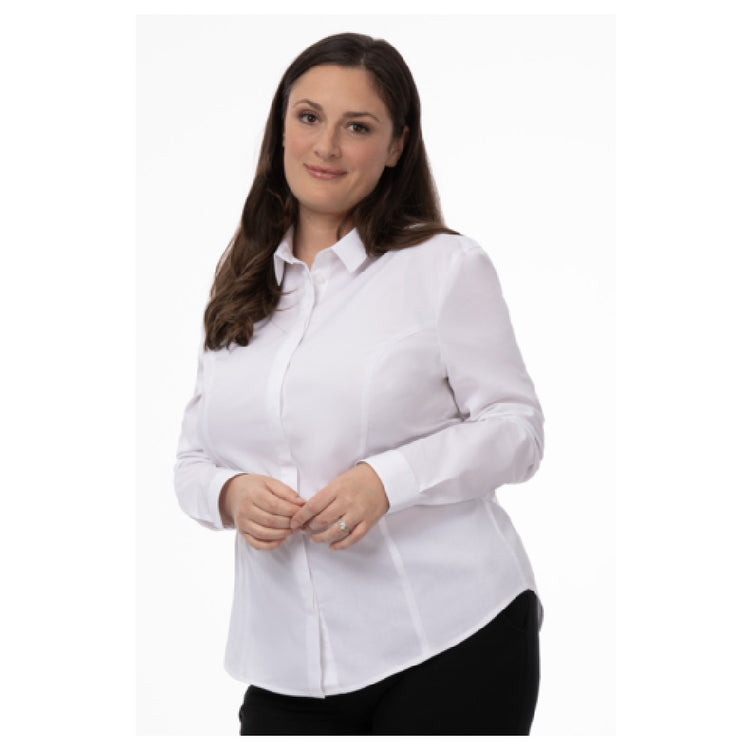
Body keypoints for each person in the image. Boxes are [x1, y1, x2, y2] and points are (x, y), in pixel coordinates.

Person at [174, 32, 544, 736]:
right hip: (285, 662)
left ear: (397, 145)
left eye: (358, 127)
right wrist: (231, 494)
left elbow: (517, 430)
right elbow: (192, 459)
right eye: (309, 117)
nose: (327, 147)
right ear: (281, 126)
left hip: (450, 636)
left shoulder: (444, 268)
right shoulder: (241, 287)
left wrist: (387, 479)